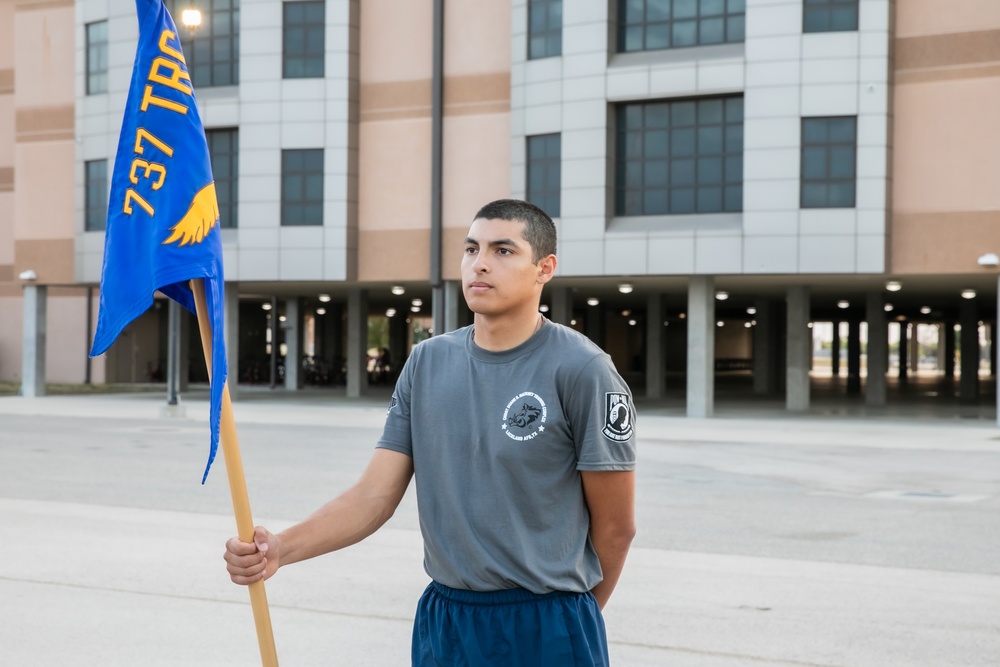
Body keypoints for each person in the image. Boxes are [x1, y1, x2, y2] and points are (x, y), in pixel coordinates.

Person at [224, 199, 637, 665]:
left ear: (545, 268)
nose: (479, 263)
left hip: (548, 623)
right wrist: (280, 548)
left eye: (503, 251)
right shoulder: (427, 362)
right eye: (471, 249)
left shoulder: (583, 369)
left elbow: (616, 528)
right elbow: (372, 497)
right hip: (448, 622)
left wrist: (570, 616)